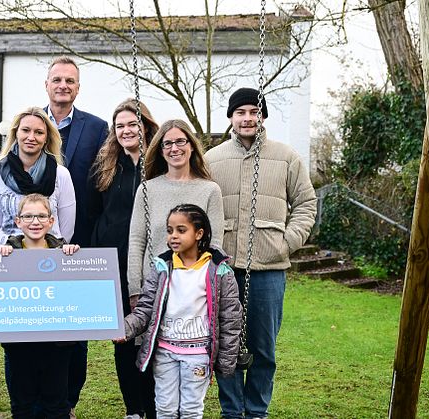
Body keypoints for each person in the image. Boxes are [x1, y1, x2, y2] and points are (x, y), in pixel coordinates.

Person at [204, 87, 317, 419]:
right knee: (225, 345)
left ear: (262, 116)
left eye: (254, 112)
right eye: (241, 113)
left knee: (263, 349)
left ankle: (256, 411)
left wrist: (288, 240)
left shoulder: (286, 157)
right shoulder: (212, 159)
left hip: (268, 270)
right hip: (223, 268)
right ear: (231, 118)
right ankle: (231, 410)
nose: (247, 118)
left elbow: (306, 203)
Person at [120, 204, 242, 417]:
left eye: (181, 230)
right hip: (165, 352)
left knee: (190, 410)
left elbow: (231, 318)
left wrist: (225, 360)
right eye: (170, 230)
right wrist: (125, 328)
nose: (173, 236)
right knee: (165, 408)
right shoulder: (161, 267)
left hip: (198, 355)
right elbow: (145, 308)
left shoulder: (219, 271)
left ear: (199, 233)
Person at [87, 98, 160, 419]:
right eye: (120, 126)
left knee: (153, 338)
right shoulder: (105, 167)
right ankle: (133, 408)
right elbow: (93, 214)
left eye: (133, 124)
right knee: (124, 338)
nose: (127, 130)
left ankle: (154, 404)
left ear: (146, 127)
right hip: (113, 264)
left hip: (151, 265)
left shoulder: (158, 166)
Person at [0, 194, 80, 419]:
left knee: (56, 404)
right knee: (22, 404)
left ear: (52, 221)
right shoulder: (6, 253)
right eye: (29, 216)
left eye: (42, 216)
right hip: (19, 345)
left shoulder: (65, 253)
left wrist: (74, 257)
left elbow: (80, 290)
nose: (35, 221)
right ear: (18, 221)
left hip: (57, 346)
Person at [44, 58, 107, 414]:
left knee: (74, 331)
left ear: (78, 88)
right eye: (57, 79)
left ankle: (68, 401)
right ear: (47, 84)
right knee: (39, 326)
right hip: (33, 244)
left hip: (79, 244)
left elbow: (101, 185)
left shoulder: (97, 129)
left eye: (70, 80)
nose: (63, 85)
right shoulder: (31, 125)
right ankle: (40, 400)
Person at [127, 119, 224, 309]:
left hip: (195, 289)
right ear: (161, 151)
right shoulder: (147, 189)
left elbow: (215, 245)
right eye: (167, 144)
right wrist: (135, 289)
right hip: (154, 286)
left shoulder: (210, 190)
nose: (174, 148)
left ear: (192, 146)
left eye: (180, 141)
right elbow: (137, 242)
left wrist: (209, 284)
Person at [0, 107, 76, 245]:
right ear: (16, 133)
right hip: (10, 256)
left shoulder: (61, 175)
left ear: (46, 138)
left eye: (39, 132)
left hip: (49, 259)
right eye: (26, 130)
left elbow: (66, 230)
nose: (31, 137)